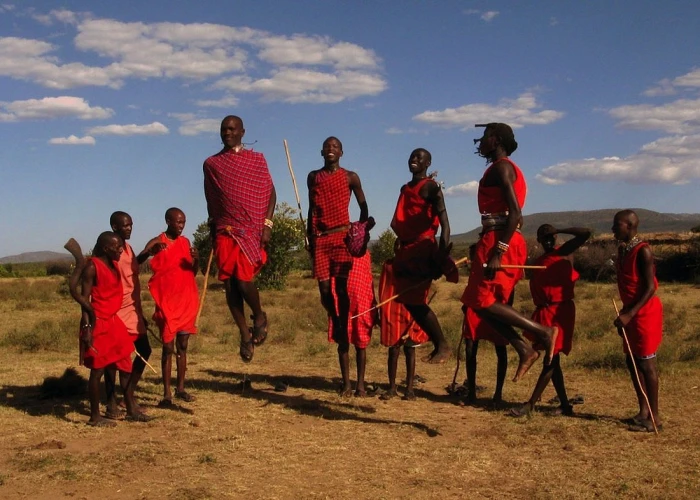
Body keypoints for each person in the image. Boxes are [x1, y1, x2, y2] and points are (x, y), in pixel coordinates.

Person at [461, 123, 557, 382]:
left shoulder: (503, 167)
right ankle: (524, 348)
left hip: (500, 239)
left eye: (484, 137)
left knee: (481, 301)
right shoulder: (500, 168)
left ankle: (543, 332)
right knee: (475, 302)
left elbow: (515, 213)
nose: (480, 142)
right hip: (496, 237)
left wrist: (498, 252)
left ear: (496, 140)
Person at [203, 115, 276, 363]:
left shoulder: (256, 160)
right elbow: (211, 198)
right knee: (230, 285)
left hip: (251, 229)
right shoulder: (212, 164)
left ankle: (259, 315)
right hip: (225, 230)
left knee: (244, 281)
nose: (227, 132)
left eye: (232, 129)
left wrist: (267, 224)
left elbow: (270, 192)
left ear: (243, 132)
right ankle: (244, 334)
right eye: (224, 129)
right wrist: (213, 228)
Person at [307, 136, 369, 394]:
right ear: (321, 151)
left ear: (342, 152)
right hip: (321, 239)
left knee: (341, 288)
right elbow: (311, 209)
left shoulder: (350, 177)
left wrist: (361, 230)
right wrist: (309, 236)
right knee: (324, 290)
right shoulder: (314, 177)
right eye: (327, 146)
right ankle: (337, 320)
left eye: (335, 147)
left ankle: (342, 323)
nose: (330, 150)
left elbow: (364, 207)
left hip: (342, 236)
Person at [510, 225, 591, 417]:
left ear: (556, 237)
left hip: (561, 312)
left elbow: (585, 233)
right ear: (538, 241)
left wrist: (560, 229)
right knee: (553, 360)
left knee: (551, 359)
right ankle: (564, 405)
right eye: (543, 238)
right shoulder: (539, 262)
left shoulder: (564, 252)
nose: (547, 241)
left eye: (550, 237)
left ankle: (530, 405)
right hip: (545, 311)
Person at [390, 148, 455, 364]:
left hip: (423, 249)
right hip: (406, 250)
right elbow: (404, 220)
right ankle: (439, 343)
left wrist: (440, 257)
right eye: (412, 156)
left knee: (415, 300)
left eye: (420, 158)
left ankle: (442, 344)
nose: (414, 160)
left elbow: (445, 226)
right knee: (408, 299)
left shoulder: (430, 188)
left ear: (428, 163)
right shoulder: (404, 188)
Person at [141, 208, 199, 407]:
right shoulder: (158, 241)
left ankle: (180, 388)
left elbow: (193, 271)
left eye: (184, 222)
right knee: (168, 347)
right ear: (168, 221)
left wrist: (197, 258)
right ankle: (167, 393)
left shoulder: (185, 243)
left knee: (183, 346)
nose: (182, 226)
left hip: (186, 300)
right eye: (178, 222)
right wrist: (150, 251)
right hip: (167, 303)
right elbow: (138, 260)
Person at [78, 232, 136, 426]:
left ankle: (131, 408)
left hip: (114, 322)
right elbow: (84, 301)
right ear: (105, 248)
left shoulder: (115, 264)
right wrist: (87, 329)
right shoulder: (92, 267)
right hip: (98, 323)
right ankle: (95, 416)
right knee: (98, 371)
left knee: (126, 364)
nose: (121, 249)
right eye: (117, 247)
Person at [612, 210, 663, 432]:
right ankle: (643, 411)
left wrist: (630, 314)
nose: (613, 229)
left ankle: (655, 418)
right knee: (631, 362)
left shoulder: (643, 251)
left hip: (644, 314)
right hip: (630, 313)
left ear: (630, 225)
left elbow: (650, 287)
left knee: (645, 363)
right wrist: (624, 314)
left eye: (617, 225)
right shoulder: (624, 249)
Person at [104, 211, 153, 421]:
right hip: (117, 310)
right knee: (114, 358)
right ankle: (112, 402)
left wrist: (147, 253)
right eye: (125, 226)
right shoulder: (111, 251)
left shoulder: (129, 248)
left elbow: (132, 269)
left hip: (133, 308)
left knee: (145, 349)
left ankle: (128, 395)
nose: (129, 229)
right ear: (115, 227)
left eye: (131, 225)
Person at [378, 258, 430, 401]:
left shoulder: (417, 265)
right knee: (394, 349)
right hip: (392, 308)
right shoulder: (388, 265)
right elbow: (383, 288)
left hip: (410, 308)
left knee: (410, 349)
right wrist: (383, 310)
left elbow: (422, 287)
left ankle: (409, 389)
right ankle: (392, 387)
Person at [327, 252, 376, 397]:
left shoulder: (365, 254)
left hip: (362, 302)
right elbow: (331, 280)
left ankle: (360, 385)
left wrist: (374, 304)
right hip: (341, 303)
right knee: (343, 344)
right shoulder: (338, 252)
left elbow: (369, 279)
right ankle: (347, 384)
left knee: (361, 345)